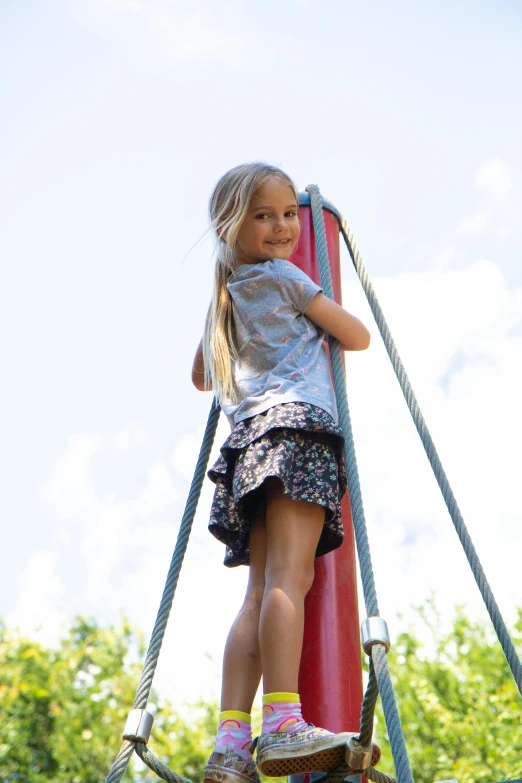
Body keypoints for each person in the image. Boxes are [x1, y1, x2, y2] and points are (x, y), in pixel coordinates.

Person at [191, 163, 371, 783]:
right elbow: (358, 335)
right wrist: (312, 309)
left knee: (258, 591)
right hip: (297, 431)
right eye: (263, 215)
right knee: (289, 585)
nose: (282, 226)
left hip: (247, 446)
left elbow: (201, 375)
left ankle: (231, 740)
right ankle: (286, 720)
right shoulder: (288, 278)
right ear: (229, 226)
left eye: (289, 214)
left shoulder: (228, 295)